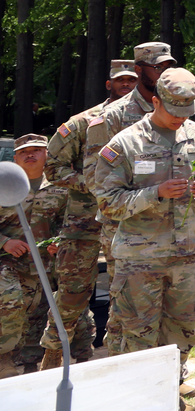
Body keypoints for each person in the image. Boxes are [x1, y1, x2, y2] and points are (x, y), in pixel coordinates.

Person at [91, 67, 195, 399]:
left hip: (187, 256)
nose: (180, 118)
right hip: (140, 259)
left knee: (183, 329)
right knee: (137, 333)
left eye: (186, 111)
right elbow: (107, 203)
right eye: (173, 110)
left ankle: (170, 389)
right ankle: (141, 397)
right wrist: (155, 193)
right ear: (156, 101)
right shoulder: (126, 144)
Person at [41, 58, 136, 366]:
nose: (126, 85)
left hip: (124, 222)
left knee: (126, 293)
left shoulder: (146, 125)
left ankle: (118, 362)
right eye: (121, 80)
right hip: (83, 221)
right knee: (72, 292)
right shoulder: (84, 122)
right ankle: (53, 356)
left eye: (131, 80)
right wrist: (93, 185)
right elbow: (53, 167)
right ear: (109, 84)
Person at [86, 43, 180, 350]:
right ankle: (121, 369)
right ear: (139, 70)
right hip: (126, 229)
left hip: (170, 227)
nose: (164, 73)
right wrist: (144, 197)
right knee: (127, 313)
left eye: (168, 67)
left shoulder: (177, 110)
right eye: (157, 67)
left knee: (170, 309)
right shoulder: (113, 117)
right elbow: (95, 179)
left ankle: (167, 372)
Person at [0, 134, 67, 378]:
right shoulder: (3, 184)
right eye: (24, 151)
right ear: (15, 158)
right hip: (6, 261)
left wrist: (59, 241)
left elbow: (65, 222)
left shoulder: (60, 187)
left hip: (41, 264)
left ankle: (30, 366)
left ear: (47, 155)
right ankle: (4, 360)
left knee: (36, 312)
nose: (30, 154)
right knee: (10, 305)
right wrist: (5, 242)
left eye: (37, 150)